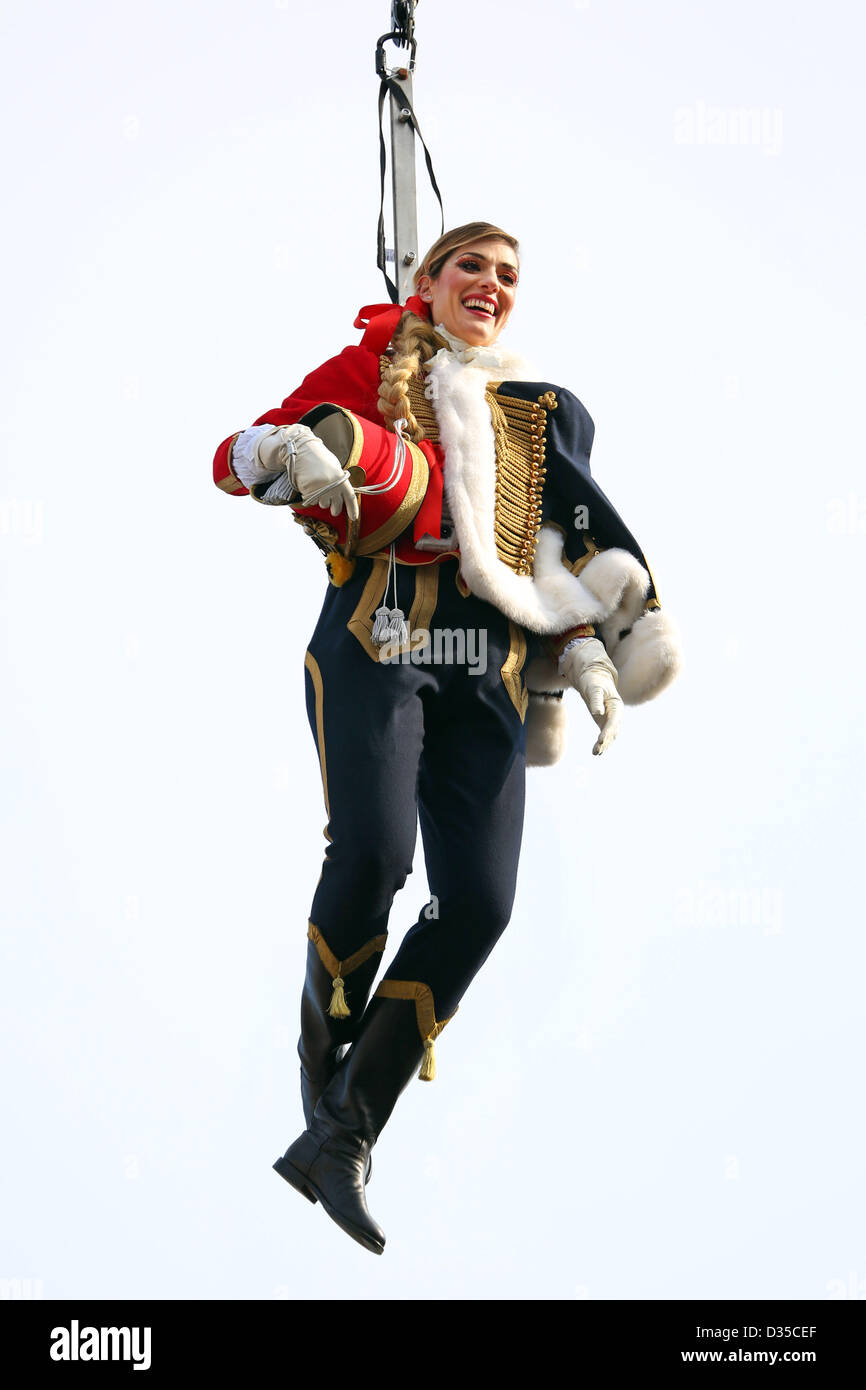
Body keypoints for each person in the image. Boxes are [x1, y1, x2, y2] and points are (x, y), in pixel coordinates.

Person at [212, 222, 682, 1255]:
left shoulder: (536, 414)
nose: (491, 284)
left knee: (479, 902)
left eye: (508, 275)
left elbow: (559, 547)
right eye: (470, 264)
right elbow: (237, 453)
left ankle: (342, 1133)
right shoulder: (374, 364)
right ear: (425, 282)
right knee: (374, 854)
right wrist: (285, 451)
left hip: (492, 673)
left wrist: (592, 654)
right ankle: (320, 1062)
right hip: (381, 635)